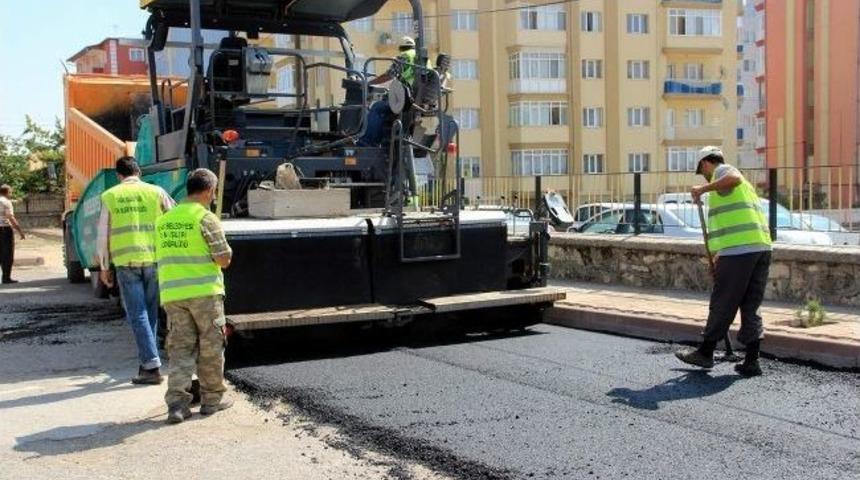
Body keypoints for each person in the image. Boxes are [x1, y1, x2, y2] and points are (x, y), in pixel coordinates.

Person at [675, 146, 772, 377]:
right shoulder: (744, 187)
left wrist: (703, 188)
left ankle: (706, 352)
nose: (704, 176)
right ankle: (751, 361)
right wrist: (719, 255)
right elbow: (729, 223)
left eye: (702, 171)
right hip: (760, 247)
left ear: (707, 163)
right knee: (751, 305)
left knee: (722, 301)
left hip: (740, 251)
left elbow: (733, 178)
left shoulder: (723, 171)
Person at [156, 168, 233, 424]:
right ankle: (212, 400)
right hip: (204, 294)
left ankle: (177, 404)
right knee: (211, 347)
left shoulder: (164, 220)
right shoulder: (205, 218)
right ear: (210, 191)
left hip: (172, 295)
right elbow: (224, 259)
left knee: (180, 348)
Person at [97, 157, 175, 384]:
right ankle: (147, 364)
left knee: (137, 314)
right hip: (155, 260)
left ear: (118, 175)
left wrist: (103, 266)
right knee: (149, 314)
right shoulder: (156, 191)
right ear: (139, 172)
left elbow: (103, 234)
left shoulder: (111, 195)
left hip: (126, 262)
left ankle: (151, 366)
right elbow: (174, 217)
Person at [0, 185, 26, 284]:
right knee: (7, 254)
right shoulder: (6, 202)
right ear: (7, 192)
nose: (11, 194)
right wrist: (20, 231)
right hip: (4, 229)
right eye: (10, 192)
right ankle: (6, 278)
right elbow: (10, 217)